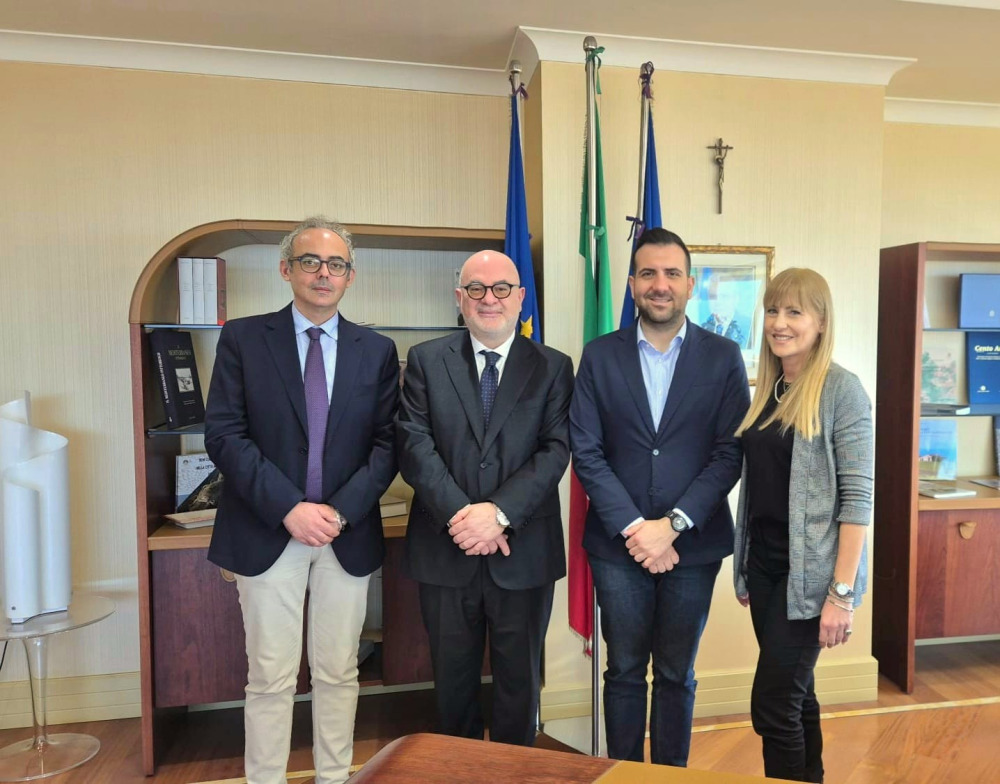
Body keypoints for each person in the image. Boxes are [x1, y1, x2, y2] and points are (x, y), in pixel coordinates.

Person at [205, 216, 399, 784]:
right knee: (270, 676)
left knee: (339, 671)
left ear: (350, 276)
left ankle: (334, 777)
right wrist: (289, 507)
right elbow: (225, 435)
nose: (323, 273)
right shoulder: (244, 339)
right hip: (267, 529)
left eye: (336, 264)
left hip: (345, 533)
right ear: (286, 269)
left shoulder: (377, 350)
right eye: (310, 261)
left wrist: (337, 512)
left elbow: (389, 443)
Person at [570, 227, 750, 766]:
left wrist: (671, 526)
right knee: (624, 671)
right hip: (617, 547)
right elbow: (586, 451)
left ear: (690, 284)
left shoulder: (723, 357)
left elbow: (729, 452)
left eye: (672, 273)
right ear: (631, 284)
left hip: (693, 547)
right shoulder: (599, 356)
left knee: (676, 673)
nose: (660, 284)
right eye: (648, 273)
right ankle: (624, 776)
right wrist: (636, 529)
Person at [397, 250, 573, 746]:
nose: (488, 299)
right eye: (476, 288)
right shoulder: (426, 360)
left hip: (524, 550)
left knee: (520, 685)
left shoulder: (554, 367)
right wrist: (464, 516)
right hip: (445, 548)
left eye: (501, 289)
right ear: (460, 298)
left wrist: (498, 514)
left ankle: (516, 773)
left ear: (520, 297)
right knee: (453, 688)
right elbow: (413, 445)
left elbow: (556, 449)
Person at [733, 268, 873, 783]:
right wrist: (746, 565)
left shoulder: (842, 390)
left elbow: (858, 502)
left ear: (821, 322)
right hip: (766, 569)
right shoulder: (770, 390)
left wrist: (841, 594)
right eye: (773, 310)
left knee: (773, 705)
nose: (780, 323)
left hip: (813, 580)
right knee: (797, 694)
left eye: (795, 312)